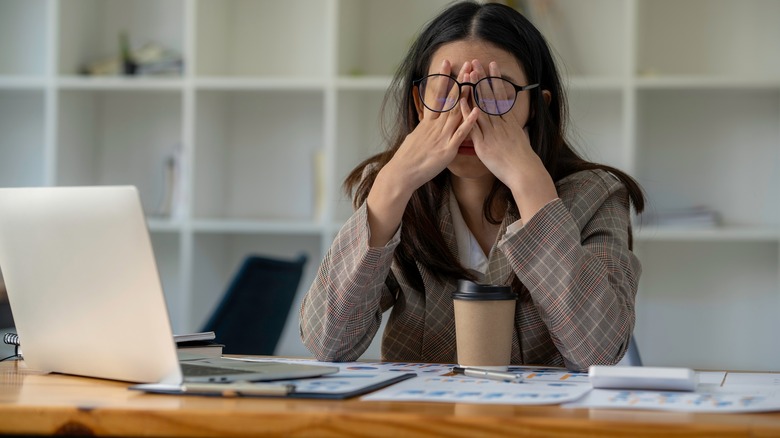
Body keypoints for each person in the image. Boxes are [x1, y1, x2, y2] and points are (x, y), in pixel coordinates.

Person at [300, 1, 644, 371]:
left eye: (495, 92)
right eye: (445, 90)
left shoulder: (596, 194)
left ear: (536, 106)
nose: (467, 114)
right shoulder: (396, 193)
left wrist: (531, 187)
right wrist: (391, 185)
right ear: (419, 103)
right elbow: (327, 343)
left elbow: (598, 352)